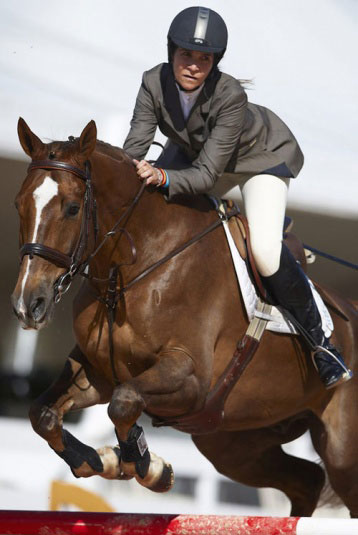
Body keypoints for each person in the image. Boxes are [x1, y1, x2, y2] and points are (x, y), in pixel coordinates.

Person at [123, 6, 352, 389]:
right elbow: (134, 150)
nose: (194, 66)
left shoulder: (229, 94)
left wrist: (162, 174)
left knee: (263, 251)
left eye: (204, 59)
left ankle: (323, 344)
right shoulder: (152, 82)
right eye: (186, 55)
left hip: (257, 160)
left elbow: (206, 176)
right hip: (199, 155)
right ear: (170, 52)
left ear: (215, 63)